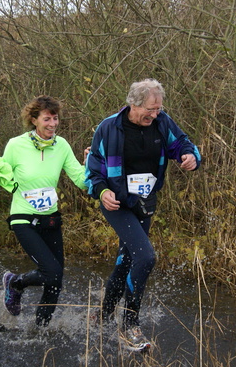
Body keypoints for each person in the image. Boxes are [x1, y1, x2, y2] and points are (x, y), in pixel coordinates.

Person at [85, 79, 201, 350]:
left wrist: (189, 156)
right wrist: (102, 192)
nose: (155, 114)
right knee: (146, 256)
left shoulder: (162, 123)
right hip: (117, 203)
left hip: (145, 203)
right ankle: (130, 324)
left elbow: (183, 143)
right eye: (150, 109)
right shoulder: (109, 128)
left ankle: (102, 315)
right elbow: (93, 171)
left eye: (159, 109)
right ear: (133, 104)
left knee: (126, 261)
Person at [0, 95, 87, 327]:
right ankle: (16, 283)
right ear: (34, 120)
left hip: (50, 219)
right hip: (23, 218)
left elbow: (81, 179)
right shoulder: (16, 144)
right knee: (51, 272)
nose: (53, 124)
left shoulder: (62, 146)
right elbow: (2, 172)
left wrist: (93, 165)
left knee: (55, 281)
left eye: (55, 119)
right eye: (47, 119)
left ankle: (40, 329)